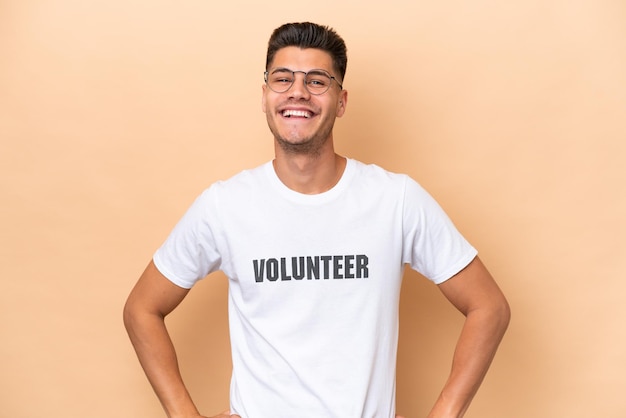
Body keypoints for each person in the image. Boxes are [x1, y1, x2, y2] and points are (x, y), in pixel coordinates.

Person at [123, 22, 510, 418]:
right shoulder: (225, 205)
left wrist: (445, 411)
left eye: (317, 81)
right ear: (264, 96)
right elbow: (141, 309)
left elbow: (488, 307)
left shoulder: (396, 200)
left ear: (341, 102)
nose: (298, 92)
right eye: (283, 78)